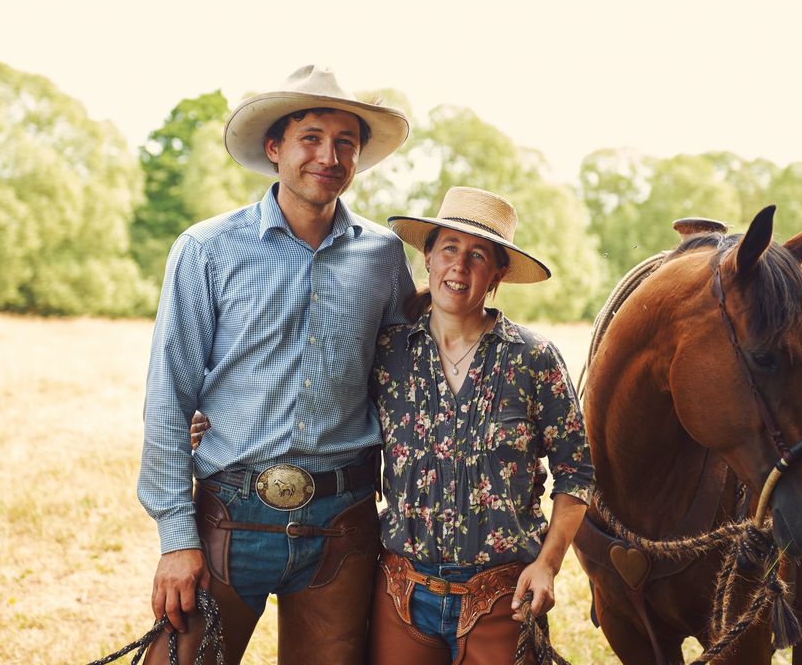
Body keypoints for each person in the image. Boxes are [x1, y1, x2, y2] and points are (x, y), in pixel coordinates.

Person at [137, 64, 416, 665]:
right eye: (311, 137)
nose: (329, 155)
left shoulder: (383, 255)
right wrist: (175, 540)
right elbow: (169, 398)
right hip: (227, 519)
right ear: (275, 148)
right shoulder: (205, 250)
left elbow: (402, 380)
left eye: (346, 142)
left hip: (342, 523)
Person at [368, 186, 595, 664]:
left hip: (502, 598)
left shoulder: (534, 360)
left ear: (498, 274)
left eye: (479, 255)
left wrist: (548, 565)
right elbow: (331, 422)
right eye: (449, 248)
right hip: (401, 594)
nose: (460, 265)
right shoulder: (388, 354)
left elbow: (577, 474)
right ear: (427, 257)